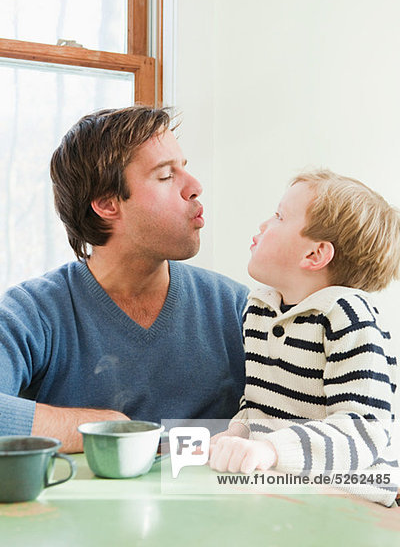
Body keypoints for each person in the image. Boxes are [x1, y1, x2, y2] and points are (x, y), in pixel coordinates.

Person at [0, 106, 248, 452]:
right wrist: (106, 429)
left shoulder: (237, 308)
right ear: (107, 204)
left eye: (184, 169)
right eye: (165, 176)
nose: (194, 187)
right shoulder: (31, 314)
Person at [209, 170, 400, 506]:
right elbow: (259, 405)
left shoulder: (349, 316)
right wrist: (234, 436)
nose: (264, 225)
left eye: (280, 216)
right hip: (285, 483)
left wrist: (270, 450)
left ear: (314, 255)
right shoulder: (260, 309)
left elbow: (362, 430)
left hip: (353, 492)